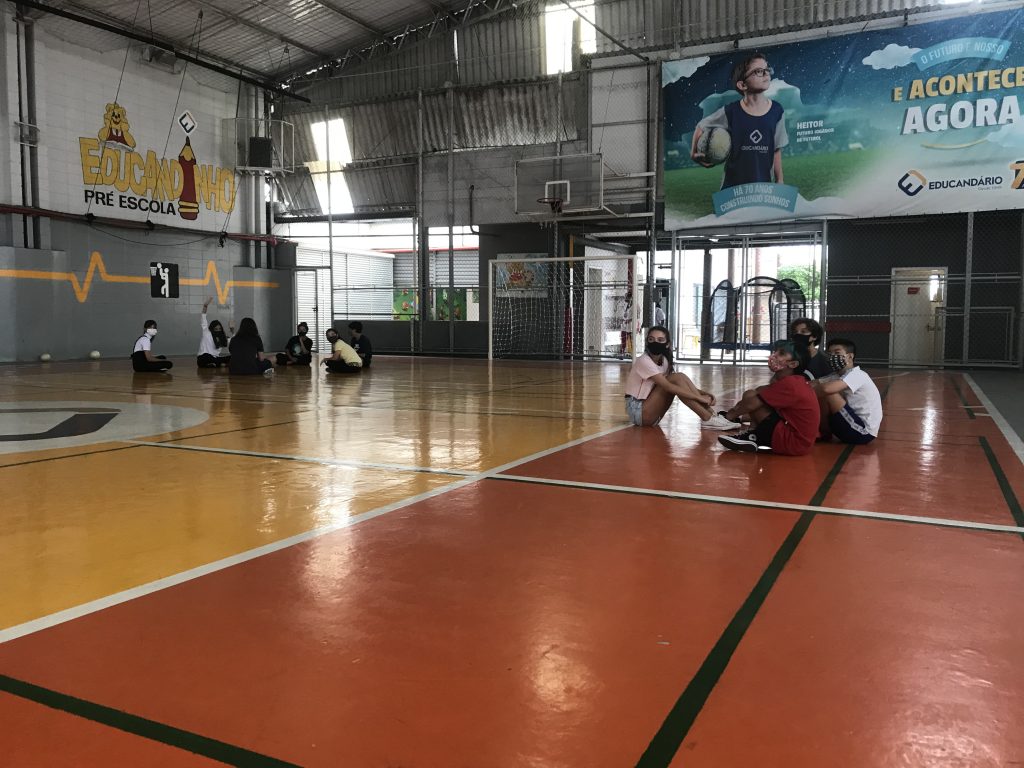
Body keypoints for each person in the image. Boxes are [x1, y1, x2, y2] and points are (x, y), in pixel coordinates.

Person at [691, 52, 788, 189]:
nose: (766, 73)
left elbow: (776, 149)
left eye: (767, 69)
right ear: (742, 85)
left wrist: (780, 181)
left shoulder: (777, 111)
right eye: (758, 71)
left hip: (763, 187)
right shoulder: (731, 111)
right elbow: (701, 126)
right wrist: (693, 153)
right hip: (731, 189)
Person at [717, 339, 819, 454]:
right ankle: (753, 434)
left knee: (752, 397)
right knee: (756, 395)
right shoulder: (796, 381)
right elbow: (762, 391)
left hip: (792, 442)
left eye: (781, 353)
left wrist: (729, 416)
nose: (775, 355)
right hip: (801, 444)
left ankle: (753, 436)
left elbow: (751, 404)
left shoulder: (790, 384)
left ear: (793, 364)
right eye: (776, 351)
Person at [625, 325, 734, 428]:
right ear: (647, 342)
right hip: (638, 412)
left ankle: (712, 415)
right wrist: (699, 398)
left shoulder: (664, 361)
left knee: (679, 377)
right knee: (676, 378)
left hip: (651, 412)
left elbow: (679, 385)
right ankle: (707, 418)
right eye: (651, 339)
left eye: (660, 340)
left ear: (667, 344)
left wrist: (704, 393)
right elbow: (668, 386)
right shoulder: (644, 361)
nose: (655, 343)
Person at [814, 338, 883, 444]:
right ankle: (822, 430)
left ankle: (823, 432)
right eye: (830, 354)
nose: (832, 356)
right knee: (821, 388)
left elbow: (826, 389)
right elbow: (811, 384)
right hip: (849, 425)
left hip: (863, 432)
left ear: (850, 356)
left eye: (837, 353)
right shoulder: (836, 376)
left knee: (828, 392)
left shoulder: (857, 374)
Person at [197, 296, 233, 368]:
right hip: (204, 357)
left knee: (231, 357)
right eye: (216, 329)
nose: (218, 330)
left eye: (219, 329)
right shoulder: (206, 332)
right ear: (212, 329)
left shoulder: (223, 337)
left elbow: (235, 340)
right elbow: (203, 317)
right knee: (205, 357)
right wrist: (205, 306)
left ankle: (216, 364)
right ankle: (219, 364)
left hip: (215, 358)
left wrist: (232, 330)